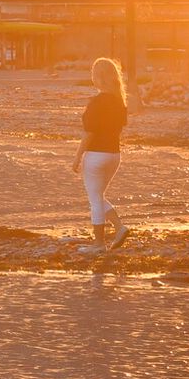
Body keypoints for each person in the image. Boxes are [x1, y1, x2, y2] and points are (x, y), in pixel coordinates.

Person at [71, 56, 130, 251]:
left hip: (96, 155)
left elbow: (90, 132)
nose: (92, 77)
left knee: (95, 199)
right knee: (98, 196)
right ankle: (119, 228)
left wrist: (78, 156)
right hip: (114, 156)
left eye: (93, 74)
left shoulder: (97, 102)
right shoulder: (119, 101)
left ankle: (99, 244)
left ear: (99, 77)